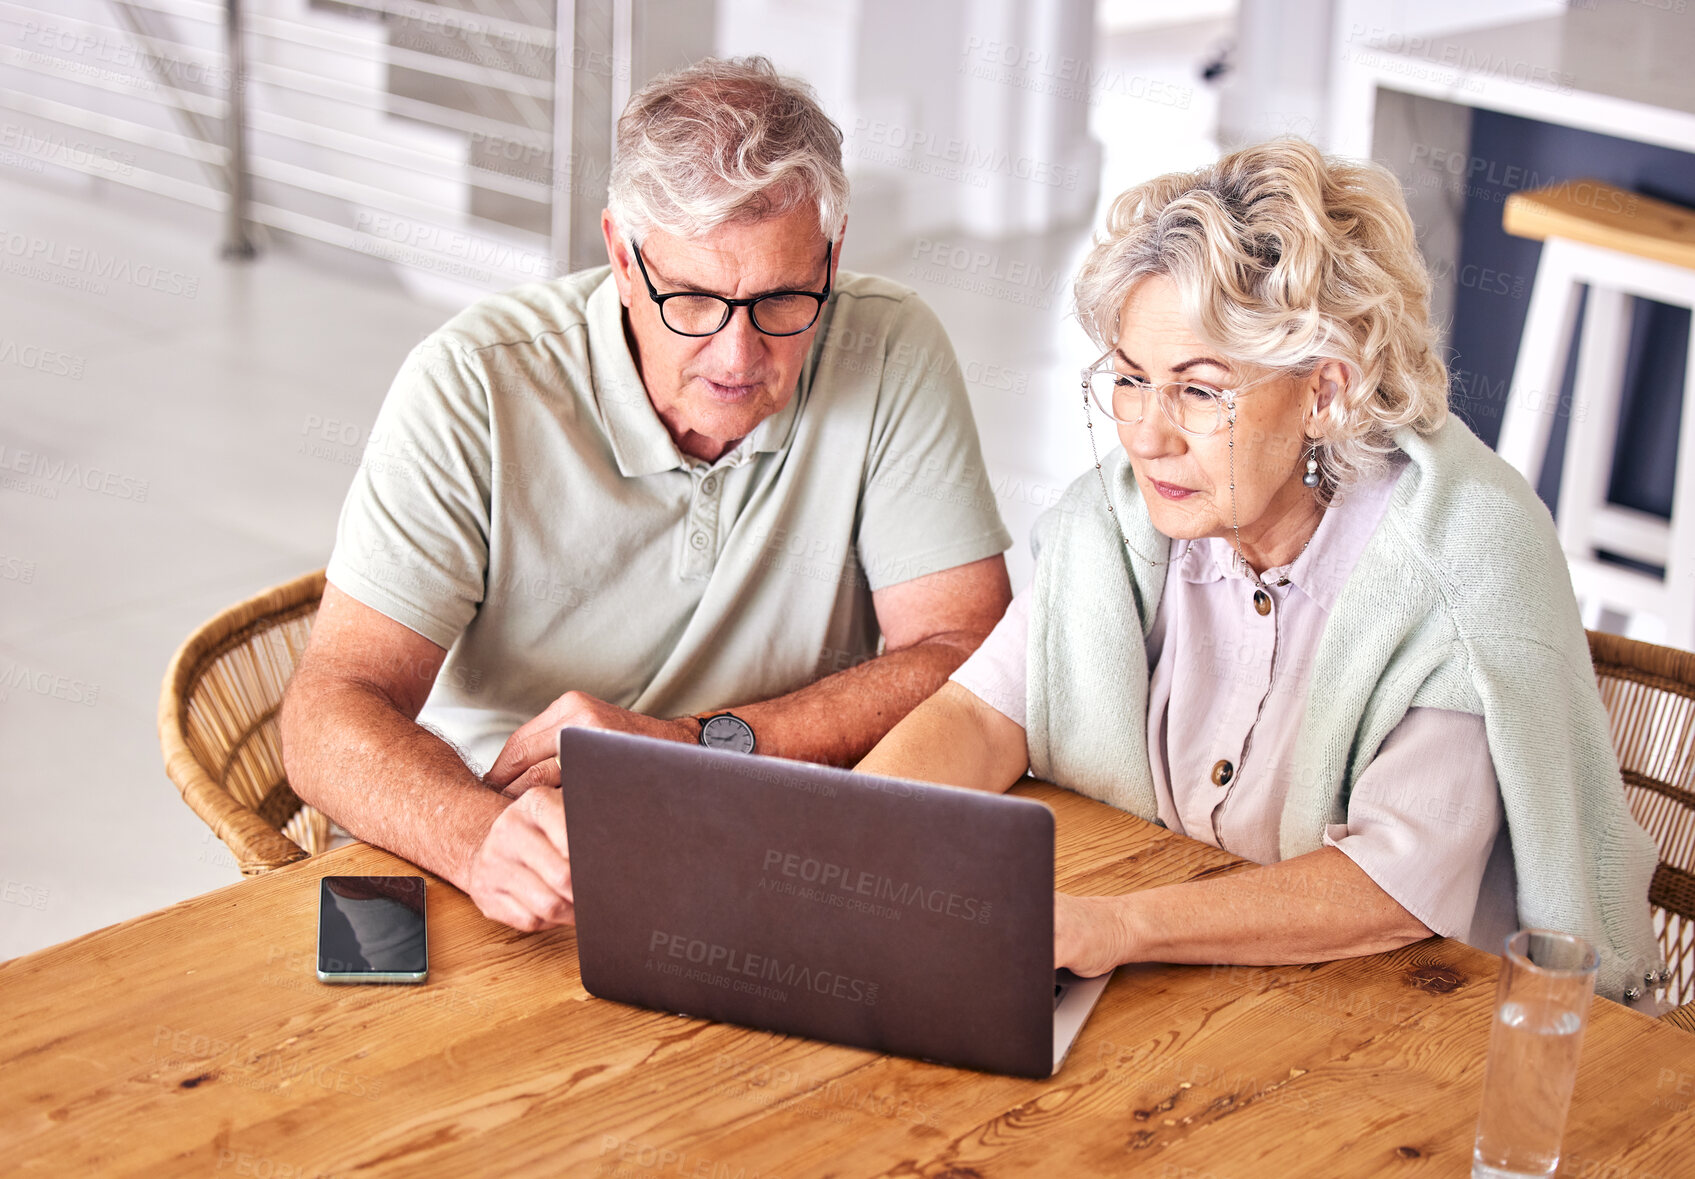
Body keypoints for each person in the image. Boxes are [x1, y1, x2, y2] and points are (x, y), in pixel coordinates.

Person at [857, 138, 1664, 1008]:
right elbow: (979, 717)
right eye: (1129, 379)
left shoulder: (1464, 558)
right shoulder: (1124, 516)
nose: (1147, 434)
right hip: (1204, 1000)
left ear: (1324, 393)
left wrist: (1123, 927)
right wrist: (844, 839)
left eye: (1199, 390)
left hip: (1428, 1020)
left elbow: (1394, 882)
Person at [281, 57, 1013, 934]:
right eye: (694, 300)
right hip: (512, 858)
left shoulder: (889, 348)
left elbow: (967, 651)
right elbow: (327, 712)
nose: (738, 358)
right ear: (621, 258)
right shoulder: (472, 383)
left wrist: (696, 747)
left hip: (775, 847)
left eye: (783, 297)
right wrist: (478, 837)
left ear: (833, 254)